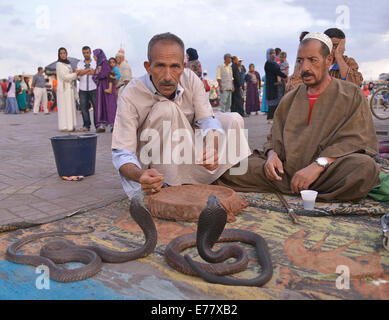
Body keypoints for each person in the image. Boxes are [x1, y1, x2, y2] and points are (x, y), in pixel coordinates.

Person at [216, 32, 379, 202]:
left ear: (329, 60)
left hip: (326, 171)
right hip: (284, 173)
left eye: (312, 60)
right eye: (300, 61)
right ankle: (301, 187)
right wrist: (272, 156)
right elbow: (273, 139)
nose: (305, 68)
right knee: (232, 168)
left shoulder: (350, 94)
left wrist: (318, 166)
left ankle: (305, 186)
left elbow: (357, 140)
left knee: (365, 168)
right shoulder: (289, 98)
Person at [111, 32, 250, 198]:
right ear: (148, 67)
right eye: (160, 66)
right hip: (152, 159)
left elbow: (207, 120)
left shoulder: (190, 79)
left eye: (175, 67)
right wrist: (140, 175)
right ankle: (168, 187)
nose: (168, 77)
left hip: (186, 148)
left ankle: (213, 175)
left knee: (233, 119)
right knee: (166, 109)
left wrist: (211, 147)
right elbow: (122, 152)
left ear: (183, 66)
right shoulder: (131, 93)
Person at [93, 49, 117, 133]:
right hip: (100, 88)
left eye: (95, 55)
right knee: (101, 106)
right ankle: (102, 125)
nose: (94, 57)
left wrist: (98, 74)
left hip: (107, 86)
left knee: (110, 105)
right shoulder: (98, 64)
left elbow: (105, 74)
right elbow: (95, 76)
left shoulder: (105, 63)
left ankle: (113, 125)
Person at [56, 47, 79, 132]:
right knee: (64, 107)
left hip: (70, 88)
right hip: (64, 89)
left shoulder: (68, 64)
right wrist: (75, 74)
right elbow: (64, 77)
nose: (63, 55)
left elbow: (70, 75)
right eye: (61, 53)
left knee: (70, 107)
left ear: (66, 54)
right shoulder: (59, 64)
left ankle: (72, 125)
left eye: (64, 53)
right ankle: (65, 126)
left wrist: (75, 74)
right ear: (59, 54)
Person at [76, 46, 97, 132]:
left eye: (87, 52)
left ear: (90, 53)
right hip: (82, 88)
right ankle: (86, 125)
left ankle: (97, 125)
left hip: (94, 87)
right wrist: (88, 70)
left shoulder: (95, 63)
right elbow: (78, 73)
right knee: (84, 108)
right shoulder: (80, 63)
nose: (86, 54)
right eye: (84, 53)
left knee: (96, 107)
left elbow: (95, 72)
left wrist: (83, 71)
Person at [264, 48, 287, 123]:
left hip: (277, 85)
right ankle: (269, 118)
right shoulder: (268, 64)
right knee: (272, 102)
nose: (273, 55)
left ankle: (274, 117)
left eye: (273, 53)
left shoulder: (275, 63)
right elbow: (277, 71)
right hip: (272, 85)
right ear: (268, 55)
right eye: (271, 53)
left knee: (277, 102)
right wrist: (285, 76)